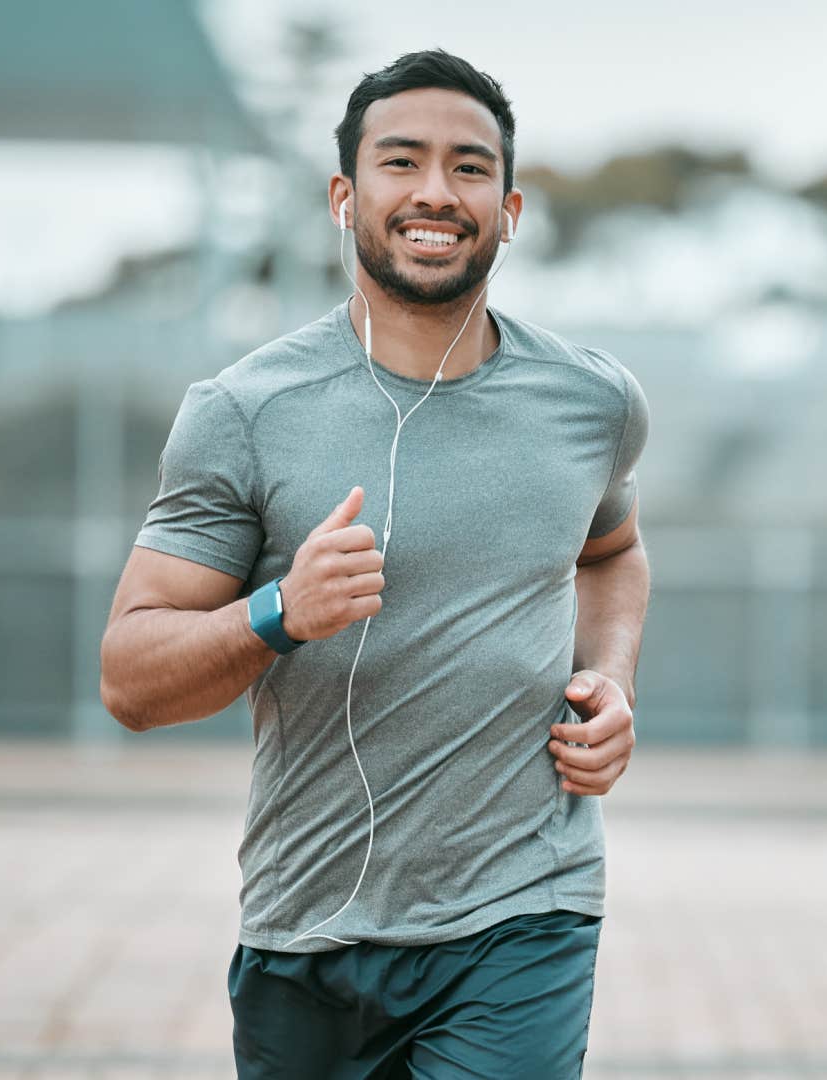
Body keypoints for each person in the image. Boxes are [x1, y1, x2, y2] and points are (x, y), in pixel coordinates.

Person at [98, 49, 649, 1079]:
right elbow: (130, 680)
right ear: (346, 197)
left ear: (512, 206)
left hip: (524, 913)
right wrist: (278, 613)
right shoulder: (245, 413)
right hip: (304, 929)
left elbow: (612, 553)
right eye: (403, 162)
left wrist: (609, 680)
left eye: (470, 167)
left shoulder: (593, 403)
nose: (437, 192)